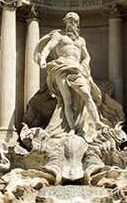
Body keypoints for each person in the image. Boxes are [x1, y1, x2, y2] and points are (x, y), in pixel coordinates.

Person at [34, 12, 108, 140]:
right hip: (62, 67)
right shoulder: (59, 36)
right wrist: (43, 60)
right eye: (69, 21)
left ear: (77, 24)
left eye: (74, 21)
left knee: (87, 95)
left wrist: (84, 65)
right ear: (65, 22)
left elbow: (86, 56)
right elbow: (47, 48)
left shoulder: (80, 41)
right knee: (66, 99)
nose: (71, 24)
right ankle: (72, 128)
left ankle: (96, 122)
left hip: (77, 69)